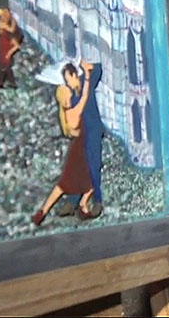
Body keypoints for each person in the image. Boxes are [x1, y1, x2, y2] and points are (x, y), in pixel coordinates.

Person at [32, 61, 96, 226]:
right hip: (80, 151)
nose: (69, 94)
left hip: (76, 149)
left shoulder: (65, 114)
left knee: (63, 185)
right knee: (89, 184)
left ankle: (43, 211)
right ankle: (82, 206)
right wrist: (87, 76)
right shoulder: (74, 111)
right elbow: (84, 97)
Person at [54, 59, 107, 220]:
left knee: (93, 166)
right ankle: (73, 201)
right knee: (78, 167)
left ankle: (97, 201)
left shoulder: (86, 84)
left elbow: (98, 69)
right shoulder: (72, 96)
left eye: (68, 79)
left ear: (74, 75)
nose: (68, 83)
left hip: (93, 132)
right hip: (82, 135)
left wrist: (88, 68)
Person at [0, 8, 22, 89]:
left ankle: (3, 82)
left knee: (5, 65)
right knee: (5, 65)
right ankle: (9, 83)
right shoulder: (1, 23)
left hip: (5, 43)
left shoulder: (3, 24)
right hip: (4, 43)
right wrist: (14, 20)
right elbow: (11, 29)